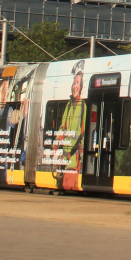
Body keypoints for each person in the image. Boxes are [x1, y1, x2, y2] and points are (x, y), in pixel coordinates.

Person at [57, 62, 87, 191]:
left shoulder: (84, 107)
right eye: (74, 83)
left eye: (78, 84)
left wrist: (82, 147)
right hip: (64, 157)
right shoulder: (68, 106)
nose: (75, 86)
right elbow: (62, 126)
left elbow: (85, 132)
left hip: (74, 158)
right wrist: (56, 145)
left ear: (81, 87)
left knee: (71, 183)